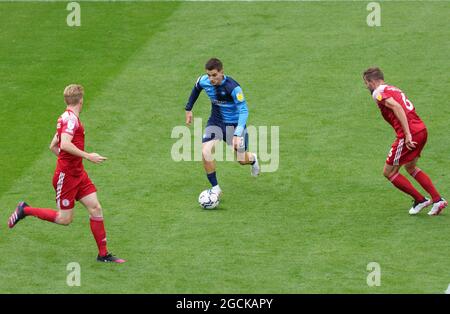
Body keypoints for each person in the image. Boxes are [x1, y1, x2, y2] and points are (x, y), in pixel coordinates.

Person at [7, 84, 126, 263]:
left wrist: (72, 163)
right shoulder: (70, 120)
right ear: (81, 100)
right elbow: (64, 144)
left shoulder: (65, 118)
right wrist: (87, 156)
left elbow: (53, 146)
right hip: (67, 177)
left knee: (96, 208)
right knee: (65, 219)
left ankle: (103, 255)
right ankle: (25, 210)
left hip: (77, 174)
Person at [363, 67, 447, 215]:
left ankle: (420, 200)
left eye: (366, 83)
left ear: (373, 81)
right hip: (421, 130)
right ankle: (437, 200)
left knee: (388, 172)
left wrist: (407, 134)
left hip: (409, 134)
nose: (366, 86)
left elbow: (397, 108)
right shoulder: (393, 88)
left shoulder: (378, 93)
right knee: (411, 167)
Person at [185, 58, 260, 197]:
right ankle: (215, 189)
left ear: (221, 72)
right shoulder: (204, 81)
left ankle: (253, 159)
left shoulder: (233, 87)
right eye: (209, 75)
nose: (211, 78)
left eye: (214, 75)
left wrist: (237, 134)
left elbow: (243, 110)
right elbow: (196, 88)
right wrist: (188, 109)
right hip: (215, 123)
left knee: (242, 160)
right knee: (205, 151)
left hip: (234, 126)